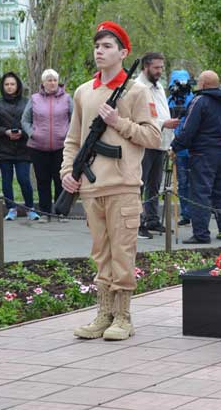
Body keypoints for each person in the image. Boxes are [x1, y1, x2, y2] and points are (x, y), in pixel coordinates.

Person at [62, 21, 161, 341]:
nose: (99, 51)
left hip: (122, 185)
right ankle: (103, 314)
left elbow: (153, 136)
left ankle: (123, 316)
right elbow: (73, 140)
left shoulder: (136, 91)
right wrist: (67, 172)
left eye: (107, 46)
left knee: (122, 252)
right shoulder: (82, 92)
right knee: (100, 253)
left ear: (123, 53)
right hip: (91, 188)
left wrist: (119, 122)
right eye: (97, 46)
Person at [172, 70, 221, 244]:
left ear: (202, 84)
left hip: (202, 154)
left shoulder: (199, 101)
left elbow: (188, 129)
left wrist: (175, 146)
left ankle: (201, 234)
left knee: (200, 193)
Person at [135, 52, 179, 239]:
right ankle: (137, 222)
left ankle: (152, 219)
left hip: (160, 142)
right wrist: (162, 123)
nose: (160, 71)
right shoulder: (137, 87)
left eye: (161, 67)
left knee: (154, 184)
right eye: (156, 68)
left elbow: (160, 110)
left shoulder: (159, 86)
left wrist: (170, 138)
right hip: (145, 141)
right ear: (146, 67)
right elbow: (139, 116)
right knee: (139, 183)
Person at [0, 72, 39, 221]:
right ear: (3, 86)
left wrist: (23, 133)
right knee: (6, 180)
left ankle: (30, 208)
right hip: (3, 150)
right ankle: (11, 209)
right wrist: (5, 132)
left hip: (23, 148)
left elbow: (35, 123)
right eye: (7, 84)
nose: (9, 87)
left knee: (24, 179)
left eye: (12, 84)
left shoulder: (27, 103)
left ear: (18, 86)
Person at [21, 69, 72, 218]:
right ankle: (44, 212)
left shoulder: (67, 98)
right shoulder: (35, 98)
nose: (52, 83)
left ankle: (60, 212)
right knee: (43, 181)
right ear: (43, 83)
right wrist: (32, 133)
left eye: (55, 80)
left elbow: (75, 119)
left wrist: (67, 134)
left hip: (61, 147)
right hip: (38, 148)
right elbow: (25, 120)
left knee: (60, 180)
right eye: (49, 80)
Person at [167, 69, 194, 226]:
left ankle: (197, 212)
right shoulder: (168, 101)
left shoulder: (194, 99)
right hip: (178, 148)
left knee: (195, 182)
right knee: (182, 183)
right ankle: (186, 213)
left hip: (193, 149)